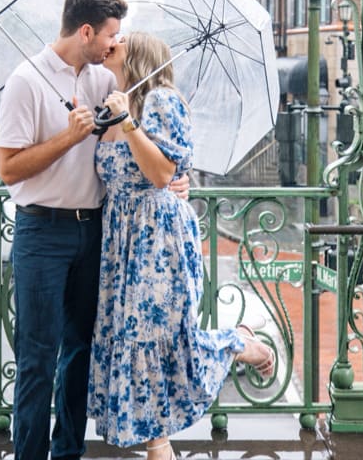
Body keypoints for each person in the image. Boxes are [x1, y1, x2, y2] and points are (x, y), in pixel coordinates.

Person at [87, 32, 276, 460]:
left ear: (138, 56)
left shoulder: (160, 101)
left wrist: (127, 124)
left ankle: (163, 441)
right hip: (119, 238)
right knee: (129, 336)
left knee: (154, 338)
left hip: (157, 237)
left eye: (120, 40)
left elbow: (161, 173)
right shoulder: (116, 99)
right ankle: (236, 343)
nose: (111, 42)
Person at [0, 0, 127, 460]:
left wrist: (179, 180)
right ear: (86, 31)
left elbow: (133, 144)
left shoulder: (103, 79)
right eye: (111, 35)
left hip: (92, 230)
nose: (116, 44)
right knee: (36, 358)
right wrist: (69, 139)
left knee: (79, 352)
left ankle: (67, 452)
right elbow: (8, 169)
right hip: (41, 232)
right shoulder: (25, 81)